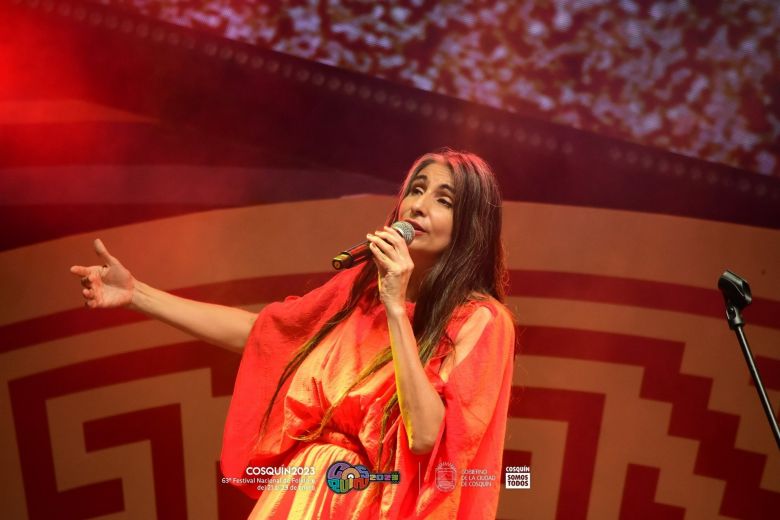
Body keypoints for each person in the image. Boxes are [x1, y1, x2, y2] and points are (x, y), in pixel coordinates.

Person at [71, 150, 516, 519]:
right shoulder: (358, 289)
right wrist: (137, 295)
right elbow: (261, 335)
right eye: (416, 190)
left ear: (471, 225)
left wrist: (396, 307)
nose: (418, 205)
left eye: (444, 200)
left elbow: (425, 435)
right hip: (302, 494)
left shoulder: (480, 320)